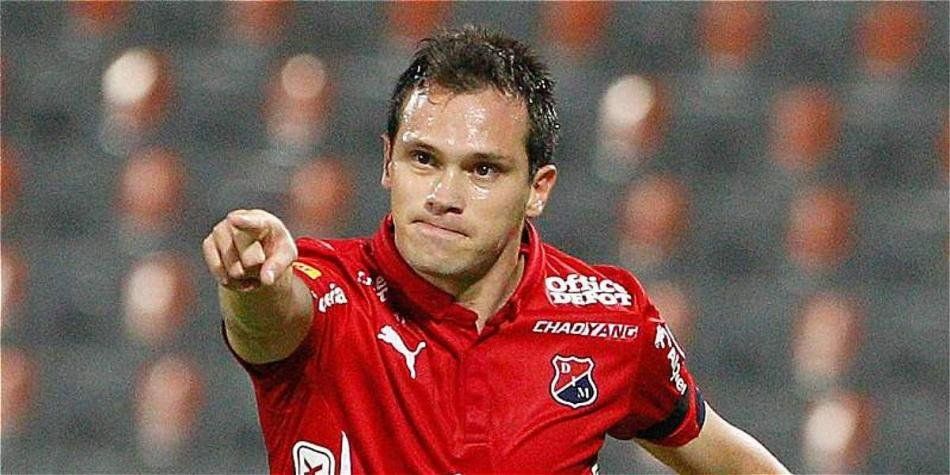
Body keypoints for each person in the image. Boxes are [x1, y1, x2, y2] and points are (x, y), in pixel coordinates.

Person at [202, 25, 789, 474]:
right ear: (387, 163)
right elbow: (270, 321)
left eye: (482, 169)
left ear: (538, 189)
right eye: (423, 158)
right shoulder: (329, 290)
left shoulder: (609, 320)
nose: (444, 196)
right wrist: (250, 283)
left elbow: (726, 458)